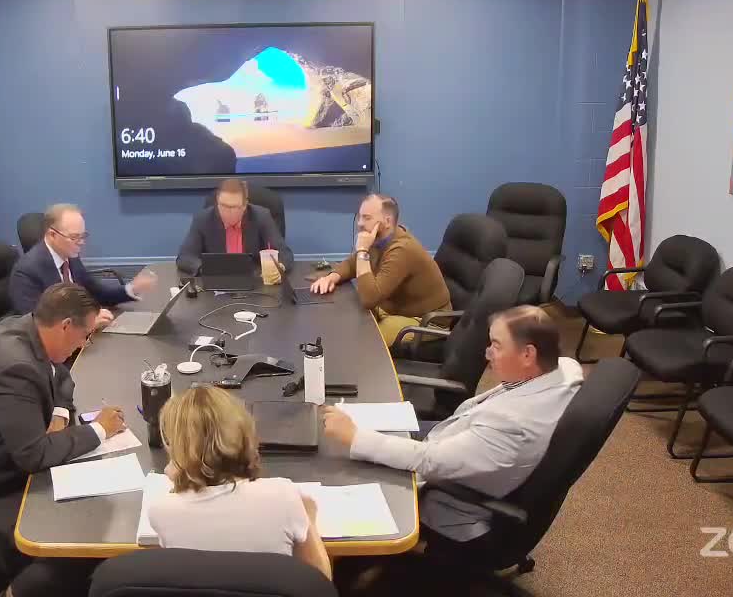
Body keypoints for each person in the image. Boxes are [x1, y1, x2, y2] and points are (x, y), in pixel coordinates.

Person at [0, 283, 127, 597]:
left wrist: (59, 416)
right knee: (80, 538)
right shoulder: (15, 367)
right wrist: (99, 429)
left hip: (8, 461)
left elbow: (62, 377)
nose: (84, 343)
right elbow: (34, 455)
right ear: (65, 325)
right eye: (84, 335)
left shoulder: (28, 329)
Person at [322, 306, 583, 549]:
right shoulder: (563, 369)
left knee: (333, 477)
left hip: (450, 500)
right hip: (456, 440)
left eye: (496, 346)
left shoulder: (512, 425)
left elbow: (430, 460)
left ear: (528, 354)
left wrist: (356, 438)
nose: (487, 354)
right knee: (356, 431)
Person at [149, 385, 332, 581]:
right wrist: (309, 517)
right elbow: (320, 583)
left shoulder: (161, 512)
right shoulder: (284, 496)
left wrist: (181, 475)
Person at [309, 194, 450, 345]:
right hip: (394, 307)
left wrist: (362, 250)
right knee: (345, 318)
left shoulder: (402, 250)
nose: (360, 223)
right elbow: (352, 264)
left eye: (367, 218)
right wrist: (331, 277)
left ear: (387, 221)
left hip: (425, 320)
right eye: (360, 217)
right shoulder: (380, 239)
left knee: (365, 342)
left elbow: (369, 299)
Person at [8, 203, 156, 328]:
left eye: (83, 236)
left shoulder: (70, 255)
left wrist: (132, 288)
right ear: (52, 235)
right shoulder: (26, 271)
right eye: (74, 237)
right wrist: (86, 325)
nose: (81, 242)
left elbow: (97, 293)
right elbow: (38, 326)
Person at [176, 179, 293, 276]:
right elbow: (185, 257)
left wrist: (279, 267)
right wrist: (207, 269)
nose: (228, 212)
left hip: (255, 281)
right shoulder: (203, 219)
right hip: (217, 283)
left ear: (244, 206)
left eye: (234, 207)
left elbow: (285, 255)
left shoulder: (261, 216)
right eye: (223, 206)